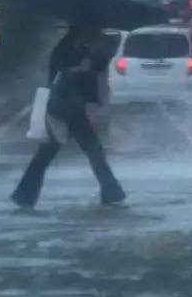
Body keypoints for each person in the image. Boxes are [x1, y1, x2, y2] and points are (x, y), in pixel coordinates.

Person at [11, 22, 126, 208]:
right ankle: (111, 192)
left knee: (53, 153)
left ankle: (24, 194)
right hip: (63, 106)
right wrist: (77, 69)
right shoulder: (65, 49)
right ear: (81, 29)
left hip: (74, 107)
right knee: (88, 149)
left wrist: (101, 50)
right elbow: (56, 73)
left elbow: (99, 65)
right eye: (92, 30)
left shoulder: (85, 48)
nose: (95, 33)